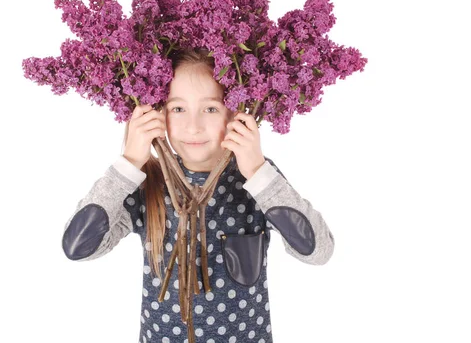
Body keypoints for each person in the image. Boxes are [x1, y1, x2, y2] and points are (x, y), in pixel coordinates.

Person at [62, 49, 335, 343]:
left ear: (236, 112)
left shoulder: (257, 180)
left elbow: (318, 251)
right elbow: (79, 247)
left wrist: (258, 172)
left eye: (211, 109)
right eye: (178, 109)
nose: (193, 126)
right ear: (158, 114)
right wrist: (128, 163)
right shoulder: (148, 184)